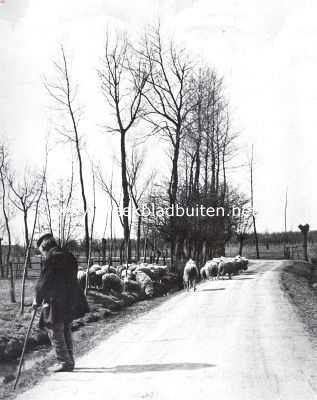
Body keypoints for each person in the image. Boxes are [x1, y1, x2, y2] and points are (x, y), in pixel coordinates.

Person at [32, 233, 89, 372]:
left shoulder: (51, 258)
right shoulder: (69, 256)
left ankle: (64, 362)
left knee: (55, 330)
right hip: (70, 299)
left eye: (41, 251)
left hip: (55, 300)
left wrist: (37, 299)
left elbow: (44, 282)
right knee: (65, 329)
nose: (42, 254)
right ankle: (70, 361)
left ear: (44, 247)